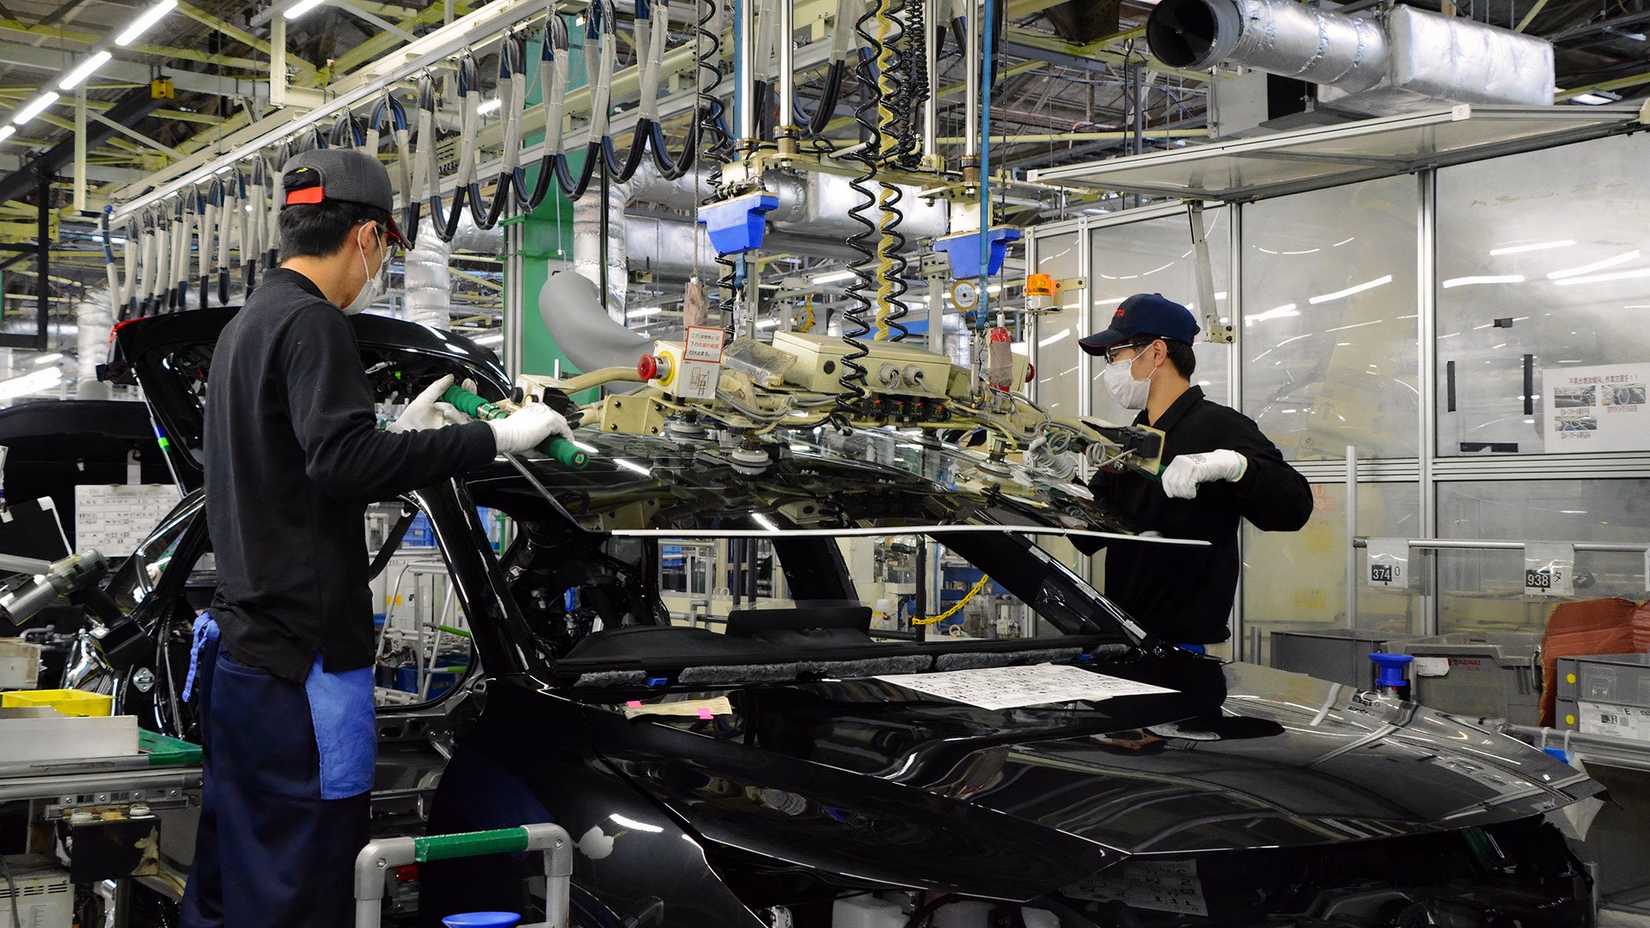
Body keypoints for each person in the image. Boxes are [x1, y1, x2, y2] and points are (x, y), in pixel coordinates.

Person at [180, 149, 569, 928]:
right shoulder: (314, 322)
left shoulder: (245, 329)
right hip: (304, 665)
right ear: (365, 236)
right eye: (387, 246)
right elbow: (342, 463)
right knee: (304, 882)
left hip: (248, 660)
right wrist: (493, 440)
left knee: (238, 872)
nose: (382, 264)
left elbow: (300, 467)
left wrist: (395, 436)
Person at [1079, 292, 1313, 647]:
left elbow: (1294, 508)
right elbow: (1088, 533)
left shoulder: (1220, 427)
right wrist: (1057, 481)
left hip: (1184, 646)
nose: (1110, 369)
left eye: (1115, 355)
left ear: (1157, 352)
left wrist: (1234, 465)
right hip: (1125, 636)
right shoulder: (1133, 438)